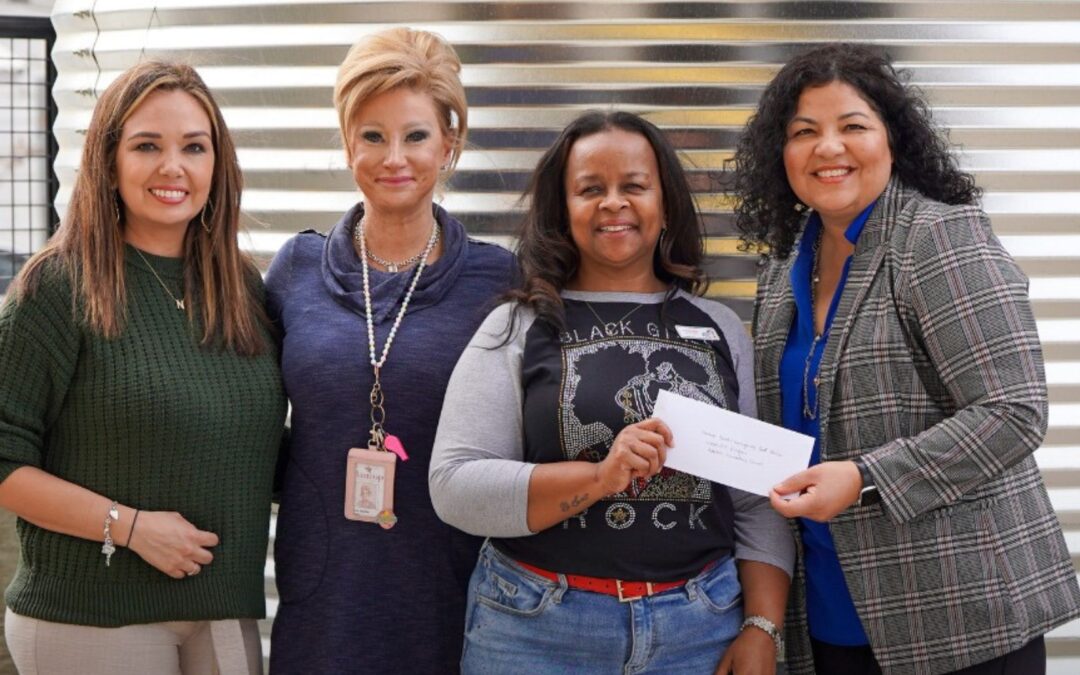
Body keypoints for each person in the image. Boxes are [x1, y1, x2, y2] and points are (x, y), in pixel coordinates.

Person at [729, 42, 1080, 674]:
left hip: (961, 615)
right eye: (804, 132)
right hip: (831, 616)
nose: (828, 147)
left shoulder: (938, 238)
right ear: (779, 155)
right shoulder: (783, 266)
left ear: (893, 141)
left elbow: (1014, 410)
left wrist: (864, 477)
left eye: (853, 126)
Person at [430, 110, 794, 675]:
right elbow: (455, 484)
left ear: (664, 202)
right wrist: (601, 478)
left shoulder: (720, 328)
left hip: (700, 633)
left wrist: (761, 627)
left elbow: (755, 500)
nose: (613, 203)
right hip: (536, 632)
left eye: (634, 186)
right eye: (590, 189)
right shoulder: (517, 325)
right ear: (563, 209)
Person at [0, 61, 286, 674]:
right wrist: (127, 528)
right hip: (91, 613)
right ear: (108, 162)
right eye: (147, 146)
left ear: (218, 163)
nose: (172, 167)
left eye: (193, 147)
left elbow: (250, 442)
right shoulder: (58, 286)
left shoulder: (239, 287)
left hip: (222, 606)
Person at [265, 28, 514, 673]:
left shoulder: (497, 279)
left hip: (452, 589)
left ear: (450, 144)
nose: (393, 158)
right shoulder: (296, 269)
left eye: (416, 136)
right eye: (372, 136)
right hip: (325, 590)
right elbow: (245, 414)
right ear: (348, 141)